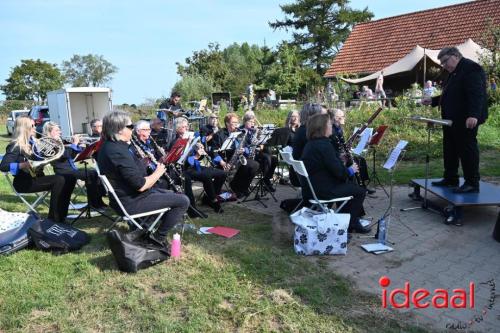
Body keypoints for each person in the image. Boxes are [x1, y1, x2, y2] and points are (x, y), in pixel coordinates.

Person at [97, 111, 189, 240]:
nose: (132, 129)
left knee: (168, 192)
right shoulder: (117, 151)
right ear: (119, 130)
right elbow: (140, 185)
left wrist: (140, 164)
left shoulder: (110, 146)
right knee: (183, 201)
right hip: (131, 202)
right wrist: (158, 172)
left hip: (125, 197)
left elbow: (126, 172)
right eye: (130, 127)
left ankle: (144, 226)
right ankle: (158, 238)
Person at [422, 47, 488, 193]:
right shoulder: (453, 73)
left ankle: (472, 183)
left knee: (467, 149)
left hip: (466, 119)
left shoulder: (471, 68)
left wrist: (474, 115)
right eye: (442, 63)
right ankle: (451, 178)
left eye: (445, 61)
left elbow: (476, 94)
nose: (444, 65)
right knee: (450, 148)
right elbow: (450, 95)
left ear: (455, 56)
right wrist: (432, 101)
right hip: (450, 119)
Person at [301, 113, 371, 233]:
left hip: (312, 188)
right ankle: (349, 224)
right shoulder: (325, 145)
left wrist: (340, 160)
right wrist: (351, 170)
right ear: (322, 128)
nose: (331, 127)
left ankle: (347, 221)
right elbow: (340, 174)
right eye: (329, 124)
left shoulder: (312, 143)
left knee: (350, 187)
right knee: (360, 192)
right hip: (323, 191)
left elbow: (327, 165)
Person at [0, 116, 76, 223]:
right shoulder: (15, 145)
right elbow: (3, 166)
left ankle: (62, 215)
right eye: (32, 126)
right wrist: (23, 165)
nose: (35, 128)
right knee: (59, 180)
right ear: (24, 128)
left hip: (37, 178)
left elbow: (43, 158)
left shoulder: (34, 143)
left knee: (69, 178)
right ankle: (54, 219)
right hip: (24, 182)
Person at [43, 121, 106, 209]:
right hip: (63, 172)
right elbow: (64, 155)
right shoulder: (48, 144)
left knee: (94, 172)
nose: (60, 132)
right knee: (90, 174)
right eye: (57, 130)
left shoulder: (59, 141)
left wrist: (78, 146)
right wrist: (74, 144)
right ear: (49, 132)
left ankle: (98, 201)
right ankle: (94, 203)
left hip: (71, 169)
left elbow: (71, 156)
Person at [210, 113, 259, 198]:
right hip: (225, 161)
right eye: (234, 123)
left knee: (254, 165)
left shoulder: (240, 133)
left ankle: (242, 188)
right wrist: (221, 162)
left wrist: (244, 150)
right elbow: (213, 151)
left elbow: (247, 147)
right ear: (227, 123)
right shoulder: (219, 134)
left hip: (238, 160)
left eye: (237, 122)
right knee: (221, 174)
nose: (237, 125)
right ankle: (218, 193)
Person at [329, 109, 373, 194]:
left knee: (361, 160)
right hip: (337, 157)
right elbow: (334, 147)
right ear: (336, 118)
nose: (344, 118)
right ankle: (356, 186)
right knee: (357, 161)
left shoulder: (338, 129)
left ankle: (362, 185)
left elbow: (342, 144)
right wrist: (342, 153)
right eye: (342, 116)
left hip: (341, 154)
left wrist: (347, 148)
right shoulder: (333, 130)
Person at [240, 113, 277, 192]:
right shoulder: (241, 131)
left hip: (255, 152)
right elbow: (243, 145)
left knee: (274, 159)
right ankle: (264, 181)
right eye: (250, 122)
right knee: (266, 158)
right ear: (245, 122)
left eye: (253, 122)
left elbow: (260, 142)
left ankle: (266, 179)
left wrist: (261, 143)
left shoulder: (254, 130)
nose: (253, 124)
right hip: (246, 154)